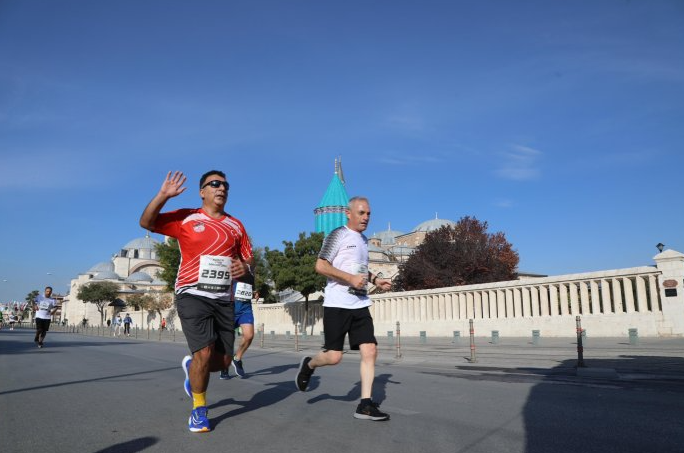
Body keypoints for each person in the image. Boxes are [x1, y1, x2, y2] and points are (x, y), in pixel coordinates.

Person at [140, 170, 253, 433]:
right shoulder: (186, 218)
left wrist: (244, 268)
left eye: (225, 184)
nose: (221, 188)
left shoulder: (236, 226)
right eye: (214, 184)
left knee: (222, 362)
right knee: (203, 353)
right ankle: (199, 410)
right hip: (192, 293)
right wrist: (163, 196)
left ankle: (192, 368)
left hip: (224, 299)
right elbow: (146, 222)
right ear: (202, 191)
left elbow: (248, 259)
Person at [295, 196, 393, 421]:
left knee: (370, 350)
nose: (366, 217)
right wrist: (349, 278)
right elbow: (321, 266)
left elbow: (359, 269)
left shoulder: (363, 239)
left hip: (360, 303)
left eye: (368, 213)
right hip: (337, 305)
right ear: (348, 213)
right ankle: (309, 365)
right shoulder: (337, 234)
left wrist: (375, 280)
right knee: (334, 357)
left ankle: (365, 405)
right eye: (361, 213)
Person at [219, 273, 255, 379]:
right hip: (229, 308)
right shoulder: (227, 268)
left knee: (249, 335)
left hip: (245, 308)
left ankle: (237, 358)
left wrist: (255, 292)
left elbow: (250, 287)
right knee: (227, 340)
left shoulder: (249, 271)